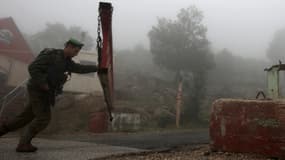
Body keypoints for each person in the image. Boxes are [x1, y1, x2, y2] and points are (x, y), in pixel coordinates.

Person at [0, 38, 98, 152]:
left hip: (46, 92)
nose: (76, 54)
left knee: (24, 117)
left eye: (78, 52)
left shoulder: (66, 61)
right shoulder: (51, 55)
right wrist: (43, 84)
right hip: (38, 90)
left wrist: (97, 68)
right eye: (75, 51)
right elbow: (33, 68)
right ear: (69, 47)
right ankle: (23, 143)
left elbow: (79, 68)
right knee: (43, 118)